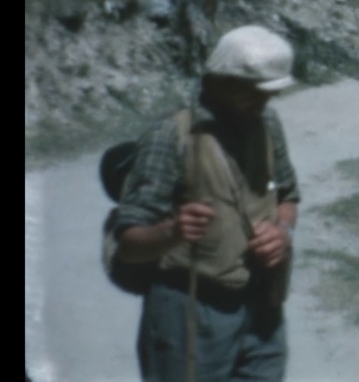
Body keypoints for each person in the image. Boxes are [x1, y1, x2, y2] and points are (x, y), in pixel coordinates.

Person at [112, 25, 300, 382]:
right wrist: (171, 231)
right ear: (221, 80)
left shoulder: (268, 123)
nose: (264, 104)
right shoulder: (170, 135)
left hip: (261, 305)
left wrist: (283, 230)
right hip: (190, 314)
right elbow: (128, 245)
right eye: (255, 93)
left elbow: (288, 195)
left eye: (270, 95)